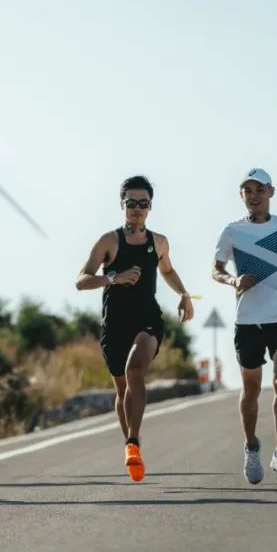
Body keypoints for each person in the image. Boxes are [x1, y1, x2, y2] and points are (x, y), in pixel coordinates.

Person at [76, 175, 194, 482]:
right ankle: (131, 446)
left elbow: (167, 270)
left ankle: (133, 439)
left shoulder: (159, 243)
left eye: (143, 203)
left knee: (135, 369)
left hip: (147, 318)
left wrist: (184, 295)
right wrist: (113, 277)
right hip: (114, 323)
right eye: (131, 203)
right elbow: (81, 280)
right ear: (122, 204)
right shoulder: (109, 241)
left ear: (150, 206)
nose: (137, 209)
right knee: (122, 387)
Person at [212, 168, 277, 483]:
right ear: (241, 196)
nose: (253, 196)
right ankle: (252, 446)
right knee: (251, 389)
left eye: (259, 190)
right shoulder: (232, 231)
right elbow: (216, 269)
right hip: (248, 319)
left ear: (270, 191)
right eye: (247, 191)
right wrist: (233, 280)